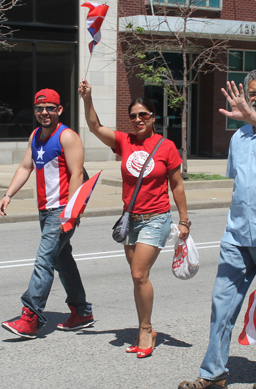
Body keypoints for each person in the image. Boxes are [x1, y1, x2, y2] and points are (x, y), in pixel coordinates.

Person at [178, 69, 256, 389]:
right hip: (237, 236)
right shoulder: (238, 138)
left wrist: (253, 118)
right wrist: (246, 120)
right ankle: (213, 373)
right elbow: (240, 185)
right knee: (222, 304)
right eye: (253, 93)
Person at [79, 79, 190, 359]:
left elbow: (176, 185)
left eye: (143, 115)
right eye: (133, 116)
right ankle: (147, 327)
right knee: (139, 278)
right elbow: (94, 127)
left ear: (153, 117)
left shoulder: (166, 147)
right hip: (131, 219)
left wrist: (184, 220)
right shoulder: (124, 142)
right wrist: (87, 98)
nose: (138, 120)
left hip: (157, 218)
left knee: (139, 273)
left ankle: (145, 328)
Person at [1, 89, 94, 339]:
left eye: (50, 108)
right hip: (45, 210)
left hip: (62, 211)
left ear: (59, 110)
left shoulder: (67, 137)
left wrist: (70, 214)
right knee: (63, 261)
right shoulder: (35, 136)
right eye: (40, 108)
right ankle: (82, 311)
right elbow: (25, 166)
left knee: (43, 260)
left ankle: (30, 317)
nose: (44, 112)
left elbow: (76, 175)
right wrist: (8, 194)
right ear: (35, 111)